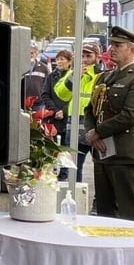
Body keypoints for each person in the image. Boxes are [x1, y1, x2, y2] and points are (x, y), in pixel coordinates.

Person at [84, 26, 134, 222]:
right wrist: (91, 133)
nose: (111, 49)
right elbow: (90, 109)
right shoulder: (104, 77)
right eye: (111, 44)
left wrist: (98, 132)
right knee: (105, 214)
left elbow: (131, 114)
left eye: (118, 45)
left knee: (130, 215)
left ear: (133, 50)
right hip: (102, 154)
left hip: (125, 154)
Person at [54, 43, 101, 182]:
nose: (85, 59)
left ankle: (97, 201)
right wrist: (75, 76)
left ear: (97, 57)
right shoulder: (74, 73)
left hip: (95, 128)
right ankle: (75, 198)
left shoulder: (102, 75)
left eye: (89, 56)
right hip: (74, 126)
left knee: (101, 169)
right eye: (82, 56)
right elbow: (61, 94)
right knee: (74, 168)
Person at [41, 49, 73, 180]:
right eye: (58, 59)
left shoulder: (73, 76)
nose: (59, 62)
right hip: (53, 117)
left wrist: (63, 111)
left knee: (66, 147)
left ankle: (64, 174)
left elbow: (74, 97)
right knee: (51, 146)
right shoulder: (51, 76)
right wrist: (54, 111)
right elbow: (45, 94)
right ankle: (51, 171)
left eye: (62, 59)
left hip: (67, 117)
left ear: (69, 62)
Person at [21, 43, 50, 110]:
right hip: (22, 103)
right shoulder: (20, 67)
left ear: (36, 54)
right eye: (27, 53)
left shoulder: (44, 68)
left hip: (39, 104)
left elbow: (48, 86)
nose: (30, 55)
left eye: (32, 53)